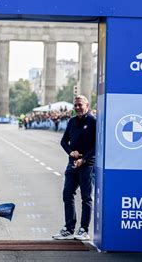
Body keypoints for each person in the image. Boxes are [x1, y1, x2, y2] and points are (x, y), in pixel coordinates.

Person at [53, 95, 96, 241]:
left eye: (80, 105)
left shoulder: (93, 122)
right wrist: (71, 151)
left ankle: (84, 229)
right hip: (72, 164)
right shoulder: (71, 121)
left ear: (87, 105)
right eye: (75, 105)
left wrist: (83, 159)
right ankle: (69, 228)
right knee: (67, 194)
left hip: (87, 165)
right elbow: (64, 141)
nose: (77, 107)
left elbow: (97, 146)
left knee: (86, 198)